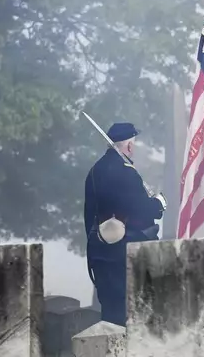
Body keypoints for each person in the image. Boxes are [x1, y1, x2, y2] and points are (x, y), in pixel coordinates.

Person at [83, 122, 166, 326]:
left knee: (110, 313)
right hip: (126, 251)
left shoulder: (94, 171)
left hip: (100, 251)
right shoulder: (128, 172)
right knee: (132, 312)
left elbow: (88, 216)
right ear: (128, 146)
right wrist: (158, 204)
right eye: (134, 144)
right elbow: (141, 210)